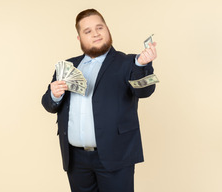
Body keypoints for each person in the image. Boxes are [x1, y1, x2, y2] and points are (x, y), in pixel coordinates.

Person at [42, 8, 157, 192]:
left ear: (107, 29)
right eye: (88, 31)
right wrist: (55, 95)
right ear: (79, 38)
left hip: (115, 156)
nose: (95, 34)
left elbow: (145, 90)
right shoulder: (68, 66)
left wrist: (141, 65)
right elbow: (49, 104)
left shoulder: (129, 62)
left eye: (100, 27)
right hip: (76, 160)